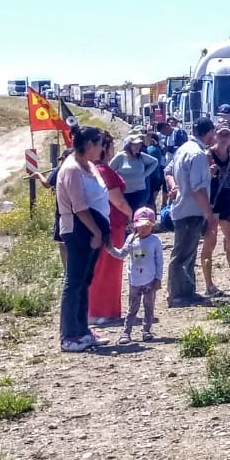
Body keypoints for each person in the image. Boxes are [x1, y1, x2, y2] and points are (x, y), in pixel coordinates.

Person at [56, 127, 110, 351]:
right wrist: (96, 232)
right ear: (88, 144)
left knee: (85, 280)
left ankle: (82, 330)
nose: (102, 148)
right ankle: (69, 335)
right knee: (74, 281)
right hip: (79, 229)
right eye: (99, 144)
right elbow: (79, 207)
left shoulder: (88, 165)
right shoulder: (71, 169)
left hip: (92, 228)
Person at [164, 117, 217, 308]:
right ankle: (178, 294)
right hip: (190, 210)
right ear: (209, 131)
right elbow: (198, 188)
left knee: (187, 252)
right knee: (183, 254)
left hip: (182, 207)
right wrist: (209, 215)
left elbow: (168, 171)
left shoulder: (183, 149)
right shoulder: (197, 154)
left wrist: (174, 186)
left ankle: (187, 291)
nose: (214, 137)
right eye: (213, 132)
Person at [89, 133, 133, 326]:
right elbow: (117, 200)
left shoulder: (92, 169)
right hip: (112, 223)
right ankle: (101, 311)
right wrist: (131, 214)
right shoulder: (104, 171)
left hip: (104, 222)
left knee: (103, 267)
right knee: (108, 268)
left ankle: (100, 310)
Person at [202, 123, 230, 295]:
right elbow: (202, 181)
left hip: (227, 202)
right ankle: (209, 284)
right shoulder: (208, 155)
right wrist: (210, 172)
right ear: (215, 135)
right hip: (212, 203)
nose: (224, 138)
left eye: (227, 135)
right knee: (209, 244)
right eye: (221, 134)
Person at [106, 207, 163, 344]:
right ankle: (126, 333)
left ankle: (146, 331)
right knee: (132, 307)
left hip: (150, 280)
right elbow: (122, 254)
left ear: (152, 226)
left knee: (149, 306)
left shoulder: (155, 241)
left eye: (146, 226)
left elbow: (159, 261)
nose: (143, 229)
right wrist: (109, 248)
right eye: (140, 226)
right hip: (135, 280)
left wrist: (158, 278)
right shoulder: (131, 239)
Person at [110, 134, 159, 216]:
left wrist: (145, 175)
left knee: (136, 214)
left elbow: (155, 162)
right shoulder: (120, 157)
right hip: (124, 193)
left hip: (139, 192)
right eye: (135, 145)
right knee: (125, 214)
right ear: (128, 146)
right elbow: (110, 170)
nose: (138, 146)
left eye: (139, 144)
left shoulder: (140, 156)